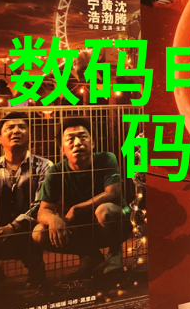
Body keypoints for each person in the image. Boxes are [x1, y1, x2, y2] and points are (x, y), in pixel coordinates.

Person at [33, 117, 128, 279]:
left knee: (104, 211)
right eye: (70, 139)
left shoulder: (106, 158)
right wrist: (53, 219)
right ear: (62, 148)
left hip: (115, 222)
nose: (77, 143)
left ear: (93, 143)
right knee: (39, 233)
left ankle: (115, 252)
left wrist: (76, 209)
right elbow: (43, 211)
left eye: (83, 137)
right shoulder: (56, 172)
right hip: (81, 228)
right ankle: (90, 256)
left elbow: (113, 193)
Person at [0, 112, 52, 292]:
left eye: (22, 127)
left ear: (29, 135)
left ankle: (36, 269)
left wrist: (14, 226)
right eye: (10, 127)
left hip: (27, 229)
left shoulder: (45, 166)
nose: (16, 131)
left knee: (39, 228)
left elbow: (42, 204)